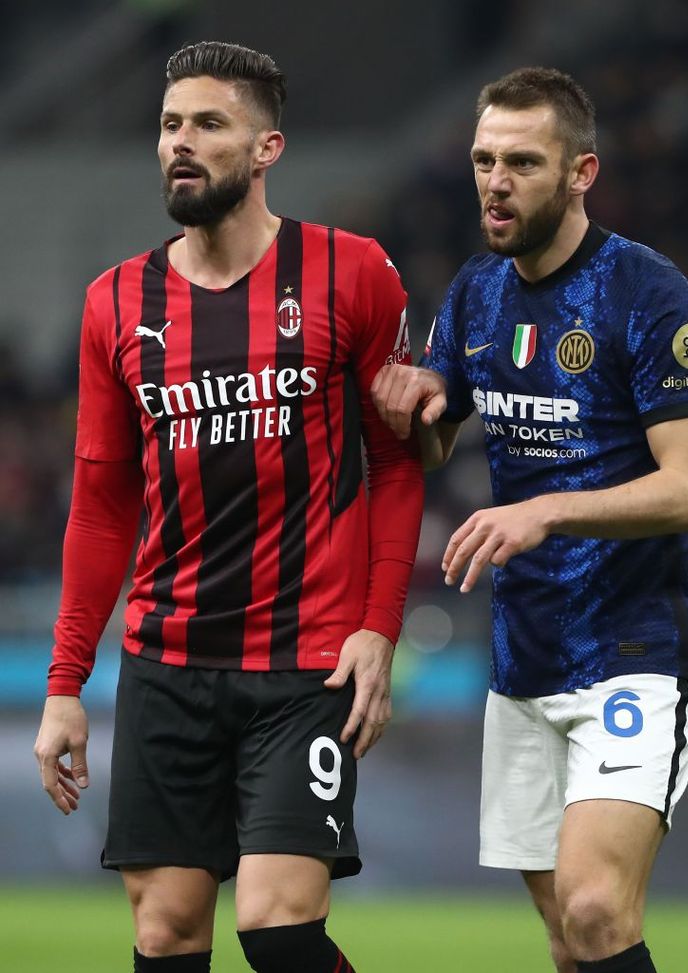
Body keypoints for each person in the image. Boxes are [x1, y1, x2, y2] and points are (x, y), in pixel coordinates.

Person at [33, 40, 423, 973]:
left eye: (209, 123)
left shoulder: (354, 272)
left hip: (306, 665)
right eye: (170, 123)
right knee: (166, 934)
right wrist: (64, 684)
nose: (181, 141)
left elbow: (398, 466)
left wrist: (378, 627)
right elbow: (99, 506)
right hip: (167, 664)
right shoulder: (114, 303)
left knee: (277, 928)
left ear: (266, 149)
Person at [371, 67, 688, 973]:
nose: (495, 180)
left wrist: (545, 511)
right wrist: (408, 404)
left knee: (600, 909)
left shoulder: (645, 294)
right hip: (523, 658)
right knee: (569, 937)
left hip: (637, 652)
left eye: (522, 161)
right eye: (484, 159)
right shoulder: (475, 296)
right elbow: (433, 446)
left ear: (579, 172)